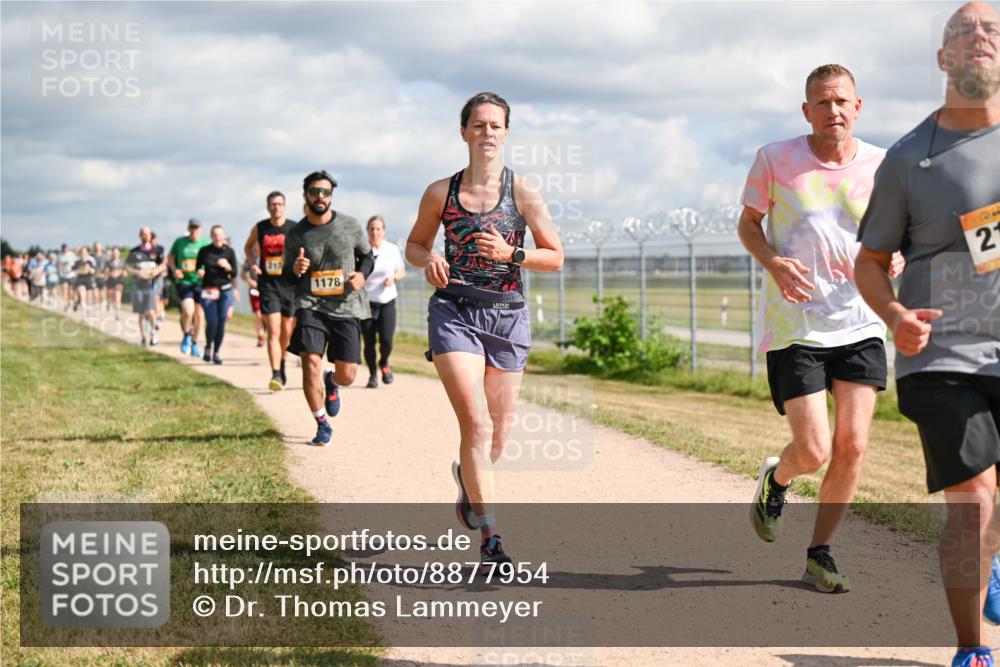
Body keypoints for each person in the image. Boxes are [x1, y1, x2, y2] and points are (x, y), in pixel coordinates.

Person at [855, 4, 1000, 665]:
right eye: (963, 31)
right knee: (973, 498)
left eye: (992, 29)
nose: (979, 37)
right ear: (943, 59)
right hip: (939, 353)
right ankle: (972, 648)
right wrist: (894, 316)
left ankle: (989, 559)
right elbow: (870, 261)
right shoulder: (910, 159)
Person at [738, 64, 904, 594]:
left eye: (842, 101)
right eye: (821, 103)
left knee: (853, 445)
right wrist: (772, 262)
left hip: (861, 319)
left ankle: (820, 552)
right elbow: (747, 224)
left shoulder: (884, 164)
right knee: (814, 451)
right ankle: (778, 478)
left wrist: (897, 253)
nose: (833, 111)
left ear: (858, 107)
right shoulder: (775, 159)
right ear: (806, 111)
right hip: (797, 324)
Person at [405, 92, 563, 568]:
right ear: (464, 132)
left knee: (496, 437)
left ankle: (467, 481)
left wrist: (513, 254)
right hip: (455, 311)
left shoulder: (524, 192)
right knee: (474, 423)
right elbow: (414, 244)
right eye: (478, 125)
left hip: (508, 316)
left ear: (506, 133)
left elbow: (554, 256)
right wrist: (429, 259)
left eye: (495, 125)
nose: (487, 132)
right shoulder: (441, 193)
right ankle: (492, 539)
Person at [283, 170, 373, 446]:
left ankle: (332, 381)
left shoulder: (350, 225)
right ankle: (321, 422)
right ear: (305, 196)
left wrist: (361, 275)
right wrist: (296, 270)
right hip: (311, 305)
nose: (319, 197)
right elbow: (287, 275)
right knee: (309, 362)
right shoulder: (296, 233)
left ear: (331, 196)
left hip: (346, 306)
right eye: (314, 192)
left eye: (324, 192)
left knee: (348, 375)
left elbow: (367, 256)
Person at [245, 191, 298, 391]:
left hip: (290, 285)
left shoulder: (293, 228)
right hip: (268, 286)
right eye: (273, 204)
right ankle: (275, 373)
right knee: (274, 330)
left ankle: (282, 361)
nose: (276, 207)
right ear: (268, 207)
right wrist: (253, 265)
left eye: (279, 204)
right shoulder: (260, 228)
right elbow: (248, 247)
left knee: (287, 331)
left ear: (284, 206)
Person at [362, 215, 406, 388]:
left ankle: (385, 363)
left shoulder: (392, 249)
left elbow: (401, 271)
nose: (375, 232)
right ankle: (373, 374)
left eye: (378, 228)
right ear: (367, 231)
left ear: (383, 231)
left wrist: (393, 278)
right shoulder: (362, 250)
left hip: (387, 300)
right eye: (372, 229)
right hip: (366, 303)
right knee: (369, 342)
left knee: (386, 340)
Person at [196, 225, 239, 364]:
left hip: (225, 290)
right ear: (211, 236)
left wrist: (227, 266)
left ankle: (217, 352)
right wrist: (199, 272)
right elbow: (198, 267)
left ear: (224, 236)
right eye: (214, 234)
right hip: (209, 289)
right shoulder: (205, 251)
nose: (217, 237)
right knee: (212, 321)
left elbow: (234, 274)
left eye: (220, 234)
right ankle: (208, 345)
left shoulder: (229, 252)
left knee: (221, 322)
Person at [169, 219, 210, 358]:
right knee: (188, 311)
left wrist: (206, 271)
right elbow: (171, 257)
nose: (194, 231)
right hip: (185, 281)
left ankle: (195, 343)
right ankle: (186, 334)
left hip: (200, 282)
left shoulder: (205, 243)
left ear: (201, 229)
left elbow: (211, 260)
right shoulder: (180, 242)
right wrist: (175, 270)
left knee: (200, 314)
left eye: (196, 228)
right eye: (192, 228)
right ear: (188, 228)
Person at [126, 227, 166, 346]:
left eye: (147, 234)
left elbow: (164, 264)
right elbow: (127, 266)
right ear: (140, 235)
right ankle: (143, 337)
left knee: (151, 311)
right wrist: (136, 272)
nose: (145, 236)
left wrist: (157, 270)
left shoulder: (157, 250)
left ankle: (153, 334)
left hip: (151, 285)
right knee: (141, 313)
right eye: (143, 234)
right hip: (138, 285)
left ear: (150, 235)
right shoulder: (135, 251)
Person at [241, 259, 267, 347]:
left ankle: (265, 327)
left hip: (268, 290)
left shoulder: (271, 251)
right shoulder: (250, 257)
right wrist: (249, 281)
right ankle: (261, 338)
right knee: (258, 315)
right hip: (254, 291)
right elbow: (242, 274)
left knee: (266, 316)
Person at [73, 246, 98, 317]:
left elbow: (93, 271)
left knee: (89, 297)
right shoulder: (77, 262)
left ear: (87, 252)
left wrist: (89, 269)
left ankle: (88, 312)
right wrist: (81, 270)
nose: (83, 253)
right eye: (82, 252)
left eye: (85, 252)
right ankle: (84, 313)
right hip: (80, 280)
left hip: (89, 280)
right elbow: (75, 271)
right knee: (82, 295)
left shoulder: (90, 261)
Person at [105, 247, 125, 320]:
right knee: (111, 297)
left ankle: (117, 313)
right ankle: (109, 303)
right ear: (112, 254)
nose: (115, 254)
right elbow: (106, 272)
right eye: (114, 253)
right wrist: (111, 273)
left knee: (118, 296)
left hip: (119, 282)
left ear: (119, 253)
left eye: (117, 253)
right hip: (110, 282)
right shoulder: (108, 262)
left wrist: (121, 272)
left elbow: (125, 272)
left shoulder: (123, 262)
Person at [57, 243, 77, 311]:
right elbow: (58, 265)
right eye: (63, 248)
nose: (65, 249)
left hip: (71, 275)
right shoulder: (60, 255)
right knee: (65, 291)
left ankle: (72, 302)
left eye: (66, 248)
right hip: (63, 275)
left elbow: (76, 263)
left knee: (71, 291)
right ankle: (66, 305)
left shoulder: (71, 254)